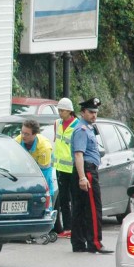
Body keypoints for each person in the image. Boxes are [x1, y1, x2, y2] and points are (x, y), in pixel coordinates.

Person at [70, 97, 112, 254]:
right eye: (91, 112)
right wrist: (82, 177)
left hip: (85, 169)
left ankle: (79, 243)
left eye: (95, 112)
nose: (94, 115)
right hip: (86, 170)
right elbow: (79, 155)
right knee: (94, 207)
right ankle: (95, 243)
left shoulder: (88, 128)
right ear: (82, 112)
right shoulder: (82, 130)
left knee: (80, 208)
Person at [53, 98, 80, 238]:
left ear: (70, 111)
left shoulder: (77, 125)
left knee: (75, 199)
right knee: (63, 199)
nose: (60, 113)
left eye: (62, 110)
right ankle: (67, 228)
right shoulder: (57, 123)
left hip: (73, 168)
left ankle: (76, 227)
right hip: (60, 167)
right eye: (59, 110)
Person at [15, 119, 54, 200]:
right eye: (22, 132)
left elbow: (44, 174)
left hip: (43, 171)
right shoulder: (17, 142)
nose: (23, 136)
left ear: (35, 134)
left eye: (26, 134)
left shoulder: (44, 148)